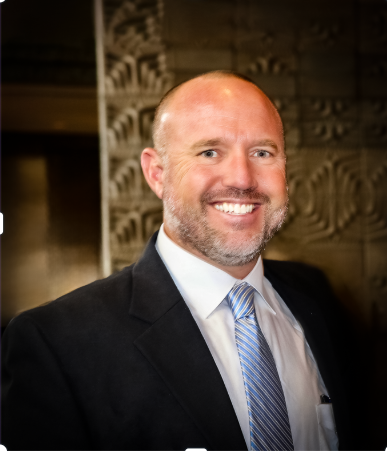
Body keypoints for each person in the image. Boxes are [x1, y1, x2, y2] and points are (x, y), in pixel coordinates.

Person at [2, 71, 360, 450]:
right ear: (157, 174)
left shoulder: (317, 298)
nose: (242, 177)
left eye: (262, 152)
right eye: (209, 152)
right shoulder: (55, 343)